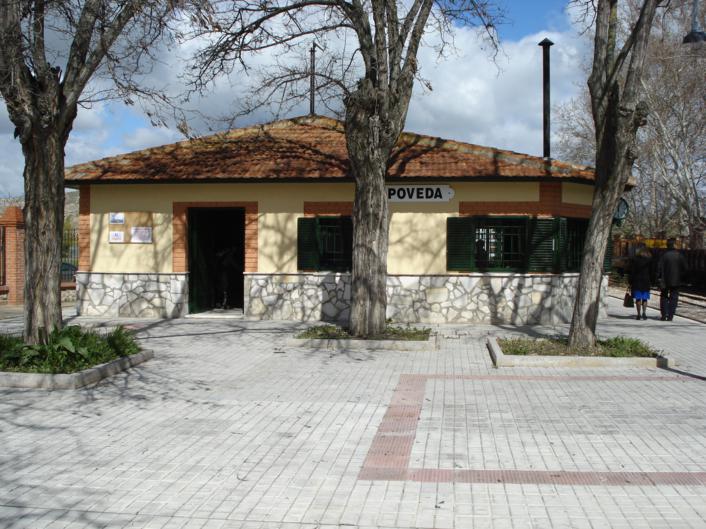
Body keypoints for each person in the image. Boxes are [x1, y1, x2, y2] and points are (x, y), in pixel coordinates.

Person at [657, 238, 688, 321]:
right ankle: (670, 316)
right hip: (676, 280)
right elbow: (686, 268)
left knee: (664, 296)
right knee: (674, 297)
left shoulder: (663, 255)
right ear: (674, 245)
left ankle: (664, 315)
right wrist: (681, 276)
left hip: (664, 281)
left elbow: (658, 268)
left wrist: (658, 279)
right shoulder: (679, 255)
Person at [629, 245, 652, 320]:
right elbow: (652, 272)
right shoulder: (649, 260)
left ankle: (638, 314)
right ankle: (644, 313)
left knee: (638, 298)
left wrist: (630, 281)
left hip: (637, 281)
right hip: (646, 281)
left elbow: (632, 272)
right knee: (645, 298)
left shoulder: (635, 260)